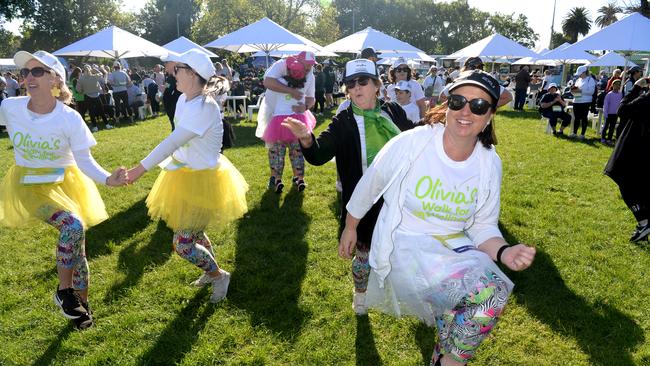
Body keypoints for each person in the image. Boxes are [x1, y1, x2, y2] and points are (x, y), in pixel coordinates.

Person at [340, 70, 536, 365]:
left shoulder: (488, 162)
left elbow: (483, 225)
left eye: (479, 106)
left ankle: (443, 359)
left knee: (454, 328)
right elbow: (372, 183)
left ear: (490, 114)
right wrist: (351, 226)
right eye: (458, 101)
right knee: (490, 293)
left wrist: (505, 251)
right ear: (447, 105)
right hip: (404, 246)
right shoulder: (415, 143)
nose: (466, 111)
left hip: (452, 250)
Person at [0, 50, 128, 330]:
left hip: (66, 185)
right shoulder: (10, 107)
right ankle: (64, 292)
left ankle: (82, 309)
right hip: (29, 187)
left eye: (37, 71)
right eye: (25, 72)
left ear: (55, 78)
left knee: (79, 255)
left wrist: (109, 179)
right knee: (72, 226)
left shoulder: (69, 118)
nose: (28, 77)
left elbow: (85, 160)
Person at [281, 59, 414, 315]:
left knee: (405, 248)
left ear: (376, 85)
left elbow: (412, 139)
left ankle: (412, 292)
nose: (356, 88)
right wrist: (306, 138)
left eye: (363, 82)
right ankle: (361, 294)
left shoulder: (393, 111)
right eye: (350, 84)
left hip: (400, 195)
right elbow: (319, 155)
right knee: (362, 252)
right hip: (363, 200)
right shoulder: (344, 120)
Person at [126, 49, 249, 303]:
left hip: (204, 179)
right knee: (194, 234)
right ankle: (210, 271)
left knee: (183, 244)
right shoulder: (185, 99)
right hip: (184, 173)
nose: (173, 73)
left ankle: (218, 276)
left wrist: (138, 169)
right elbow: (177, 142)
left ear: (192, 74)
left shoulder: (204, 107)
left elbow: (172, 142)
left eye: (177, 69)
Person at [258, 53, 317, 193]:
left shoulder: (310, 75)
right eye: (307, 64)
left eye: (312, 64)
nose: (310, 67)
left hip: (298, 117)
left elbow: (311, 98)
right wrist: (291, 91)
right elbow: (267, 82)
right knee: (277, 150)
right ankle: (276, 178)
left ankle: (299, 178)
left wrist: (305, 107)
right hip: (278, 117)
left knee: (297, 150)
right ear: (299, 61)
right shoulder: (281, 66)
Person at [604, 77, 650, 242]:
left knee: (626, 184)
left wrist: (635, 89)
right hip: (644, 150)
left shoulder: (646, 99)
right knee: (642, 187)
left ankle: (644, 222)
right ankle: (643, 226)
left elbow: (622, 110)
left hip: (635, 148)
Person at [439, 57, 513, 108]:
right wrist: (489, 107)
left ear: (466, 67)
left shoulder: (461, 79)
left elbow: (442, 96)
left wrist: (454, 106)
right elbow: (508, 97)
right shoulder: (487, 80)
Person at [77, 64, 114, 132]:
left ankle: (95, 126)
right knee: (101, 111)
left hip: (87, 96)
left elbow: (78, 90)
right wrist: (94, 70)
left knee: (91, 112)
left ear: (83, 70)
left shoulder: (81, 79)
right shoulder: (95, 76)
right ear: (90, 69)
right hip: (96, 96)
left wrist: (83, 91)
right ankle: (107, 124)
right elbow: (102, 73)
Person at [569, 65, 596, 140]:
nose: (579, 75)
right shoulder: (578, 80)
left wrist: (579, 90)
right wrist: (573, 90)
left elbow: (591, 92)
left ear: (584, 72)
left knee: (584, 117)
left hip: (585, 102)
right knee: (576, 118)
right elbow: (575, 91)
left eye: (580, 73)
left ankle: (582, 134)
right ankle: (574, 133)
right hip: (576, 101)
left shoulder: (590, 80)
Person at [162, 56, 182, 131]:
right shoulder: (170, 76)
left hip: (175, 105)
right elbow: (167, 88)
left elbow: (169, 89)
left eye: (166, 63)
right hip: (171, 105)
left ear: (172, 63)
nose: (165, 65)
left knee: (176, 127)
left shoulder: (176, 75)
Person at [601, 79, 623, 145]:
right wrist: (605, 113)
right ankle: (603, 138)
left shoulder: (620, 94)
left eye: (619, 85)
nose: (617, 86)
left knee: (612, 127)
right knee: (605, 127)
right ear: (613, 85)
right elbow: (606, 105)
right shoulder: (609, 94)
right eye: (616, 84)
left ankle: (609, 139)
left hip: (615, 114)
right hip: (608, 114)